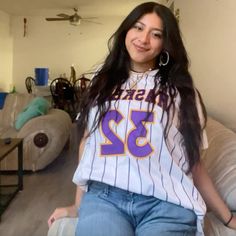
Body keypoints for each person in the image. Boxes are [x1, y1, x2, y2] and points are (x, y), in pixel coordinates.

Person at [48, 2, 236, 235]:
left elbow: (193, 162)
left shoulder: (181, 90)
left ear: (165, 44)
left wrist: (227, 218)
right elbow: (88, 143)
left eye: (156, 34)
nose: (143, 39)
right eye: (138, 28)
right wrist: (78, 205)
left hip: (167, 202)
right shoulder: (102, 79)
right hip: (105, 198)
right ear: (126, 31)